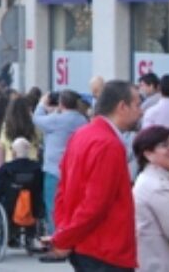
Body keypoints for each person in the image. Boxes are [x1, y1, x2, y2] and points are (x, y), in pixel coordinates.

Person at [46, 80, 140, 271]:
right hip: (105, 250)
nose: (142, 111)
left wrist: (64, 233)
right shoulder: (109, 144)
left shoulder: (81, 134)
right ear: (122, 106)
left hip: (86, 248)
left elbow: (62, 191)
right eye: (137, 105)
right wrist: (64, 239)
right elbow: (95, 205)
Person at [33, 90, 87, 234]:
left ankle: (56, 239)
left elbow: (37, 119)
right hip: (75, 169)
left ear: (62, 103)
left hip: (54, 169)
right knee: (72, 206)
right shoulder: (82, 120)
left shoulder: (56, 120)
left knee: (53, 206)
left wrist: (41, 103)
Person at [132, 126, 169, 272]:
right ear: (148, 153)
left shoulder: (154, 179)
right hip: (161, 264)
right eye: (164, 146)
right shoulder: (157, 186)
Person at [0, 97, 41, 162]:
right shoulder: (34, 125)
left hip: (11, 164)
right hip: (31, 163)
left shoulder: (6, 127)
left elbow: (2, 145)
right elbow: (39, 140)